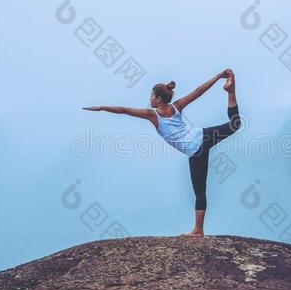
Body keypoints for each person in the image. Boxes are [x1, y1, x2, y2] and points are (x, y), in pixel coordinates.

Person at [83, 68, 241, 237]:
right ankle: (230, 91)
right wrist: (218, 76)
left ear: (158, 99)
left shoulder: (153, 115)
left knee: (200, 192)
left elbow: (124, 110)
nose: (150, 98)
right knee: (235, 125)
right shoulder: (176, 106)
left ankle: (198, 230)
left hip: (195, 151)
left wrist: (102, 107)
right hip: (203, 136)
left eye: (151, 95)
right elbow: (198, 91)